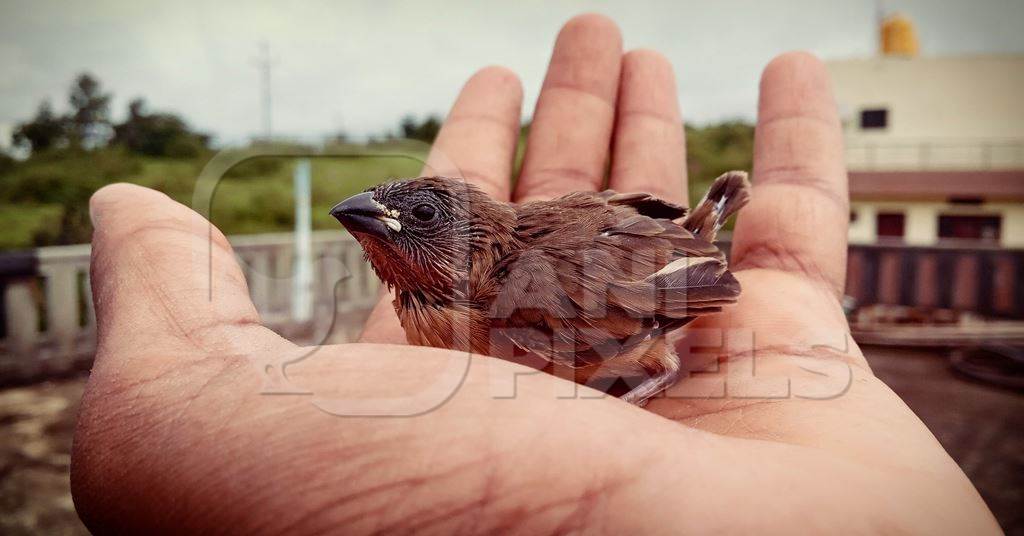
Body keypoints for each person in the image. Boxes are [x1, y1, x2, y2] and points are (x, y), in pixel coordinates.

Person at [70, 14, 999, 534]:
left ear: (467, 232)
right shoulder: (441, 310)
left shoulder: (539, 284)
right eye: (379, 217)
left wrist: (662, 331)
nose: (378, 226)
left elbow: (697, 286)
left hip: (664, 269)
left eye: (418, 216)